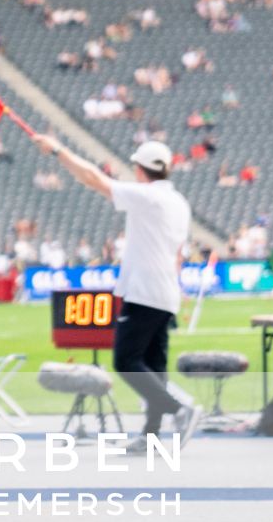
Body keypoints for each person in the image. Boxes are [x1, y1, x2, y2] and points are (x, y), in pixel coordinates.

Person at [30, 134, 196, 451]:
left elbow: (95, 179)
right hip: (166, 292)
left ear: (139, 168)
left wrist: (57, 150)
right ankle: (151, 436)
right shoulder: (178, 202)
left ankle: (179, 409)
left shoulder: (148, 197)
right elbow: (177, 254)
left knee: (126, 360)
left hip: (143, 291)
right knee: (154, 364)